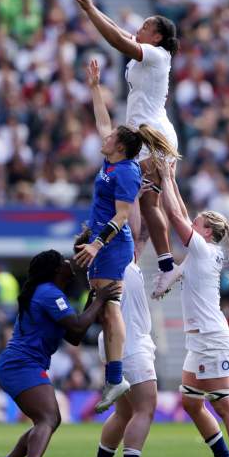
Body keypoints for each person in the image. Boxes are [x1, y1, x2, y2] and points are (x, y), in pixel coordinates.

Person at [74, 60, 177, 414]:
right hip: (103, 242)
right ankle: (115, 376)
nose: (105, 136)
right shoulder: (112, 163)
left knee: (109, 303)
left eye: (111, 138)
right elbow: (103, 122)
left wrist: (97, 242)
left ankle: (116, 377)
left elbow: (121, 215)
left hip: (114, 246)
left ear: (119, 147)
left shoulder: (128, 173)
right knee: (105, 307)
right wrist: (94, 88)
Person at [71, 0, 180, 298]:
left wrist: (90, 11)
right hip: (141, 134)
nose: (139, 29)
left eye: (146, 26)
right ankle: (145, 265)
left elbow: (118, 42)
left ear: (158, 36)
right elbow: (119, 33)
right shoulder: (147, 54)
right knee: (145, 208)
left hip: (153, 135)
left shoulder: (158, 56)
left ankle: (165, 265)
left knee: (147, 203)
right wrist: (89, 7)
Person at [158, 162, 229, 457]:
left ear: (206, 231)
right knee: (191, 403)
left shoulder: (203, 250)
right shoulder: (204, 250)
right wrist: (173, 179)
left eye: (198, 222)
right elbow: (181, 209)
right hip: (199, 339)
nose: (193, 222)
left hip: (211, 338)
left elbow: (176, 216)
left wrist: (164, 178)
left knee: (225, 406)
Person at [0, 249, 121, 457]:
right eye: (64, 261)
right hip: (21, 364)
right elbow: (78, 328)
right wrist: (99, 300)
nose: (69, 262)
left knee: (48, 419)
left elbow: (74, 337)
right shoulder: (49, 293)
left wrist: (92, 302)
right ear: (57, 269)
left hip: (21, 363)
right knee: (48, 418)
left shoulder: (49, 293)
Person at [87, 231, 156, 457]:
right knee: (145, 408)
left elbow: (141, 236)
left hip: (121, 343)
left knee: (124, 412)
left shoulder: (107, 263)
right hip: (130, 343)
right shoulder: (115, 262)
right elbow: (138, 231)